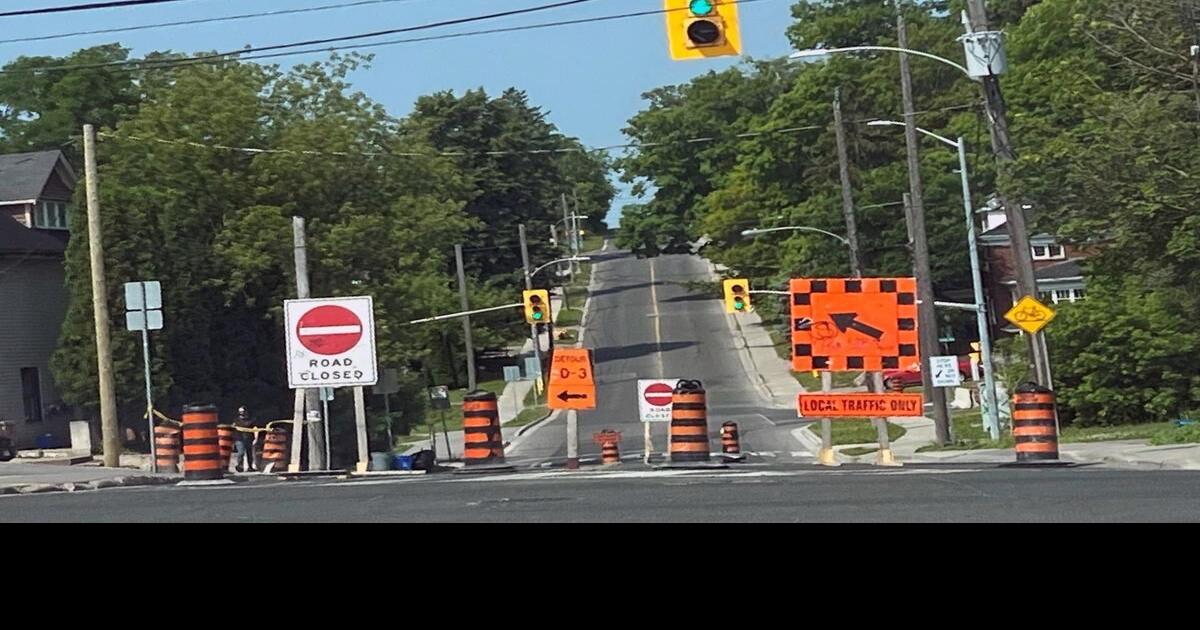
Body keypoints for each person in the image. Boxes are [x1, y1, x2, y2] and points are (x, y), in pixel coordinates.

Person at [233, 406, 258, 472]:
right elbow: (233, 429)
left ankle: (250, 467)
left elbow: (255, 429)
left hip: (249, 438)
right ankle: (240, 466)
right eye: (240, 412)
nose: (242, 413)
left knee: (249, 453)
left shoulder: (251, 420)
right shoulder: (236, 421)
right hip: (239, 439)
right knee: (241, 453)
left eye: (243, 412)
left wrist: (256, 438)